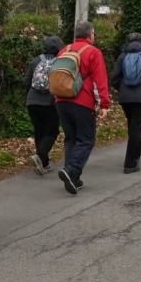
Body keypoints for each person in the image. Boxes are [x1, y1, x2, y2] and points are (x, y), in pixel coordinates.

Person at [55, 21, 110, 194]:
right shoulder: (93, 52)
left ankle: (73, 178)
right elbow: (100, 79)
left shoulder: (64, 50)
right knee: (86, 139)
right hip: (82, 101)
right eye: (94, 33)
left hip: (61, 100)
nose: (94, 36)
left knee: (71, 138)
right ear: (89, 34)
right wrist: (104, 104)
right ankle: (71, 171)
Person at [110, 32, 141, 173]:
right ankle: (130, 163)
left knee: (132, 127)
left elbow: (114, 77)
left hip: (125, 98)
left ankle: (135, 156)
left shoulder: (122, 56)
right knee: (136, 129)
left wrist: (120, 88)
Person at [23, 35, 64, 175]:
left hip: (32, 101)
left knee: (39, 131)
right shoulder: (60, 62)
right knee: (52, 131)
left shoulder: (36, 61)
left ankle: (44, 164)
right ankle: (40, 155)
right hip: (50, 102)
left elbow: (26, 82)